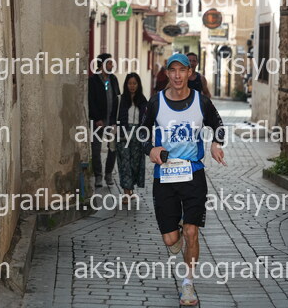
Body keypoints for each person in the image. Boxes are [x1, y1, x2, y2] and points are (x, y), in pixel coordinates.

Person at [139, 53, 226, 306]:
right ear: (167, 73)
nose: (177, 75)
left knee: (191, 231)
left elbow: (218, 125)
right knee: (171, 240)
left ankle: (188, 284)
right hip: (164, 175)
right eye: (172, 70)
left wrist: (216, 143)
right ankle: (173, 234)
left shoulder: (201, 101)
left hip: (193, 174)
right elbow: (142, 133)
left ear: (190, 73)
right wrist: (151, 149)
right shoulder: (156, 102)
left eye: (182, 70)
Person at [88, 53, 120, 187]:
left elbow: (117, 98)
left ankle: (108, 174)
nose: (112, 65)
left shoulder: (113, 79)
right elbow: (91, 101)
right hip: (98, 121)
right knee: (96, 150)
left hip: (111, 120)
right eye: (109, 63)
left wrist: (115, 119)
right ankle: (98, 176)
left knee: (113, 148)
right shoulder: (93, 80)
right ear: (102, 65)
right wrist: (97, 118)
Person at [116, 73, 148, 204]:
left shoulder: (143, 100)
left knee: (135, 163)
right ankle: (126, 192)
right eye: (130, 83)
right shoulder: (121, 99)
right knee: (125, 163)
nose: (132, 86)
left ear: (138, 85)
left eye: (134, 83)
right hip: (123, 134)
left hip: (138, 135)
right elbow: (114, 116)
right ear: (126, 84)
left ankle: (131, 189)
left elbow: (147, 119)